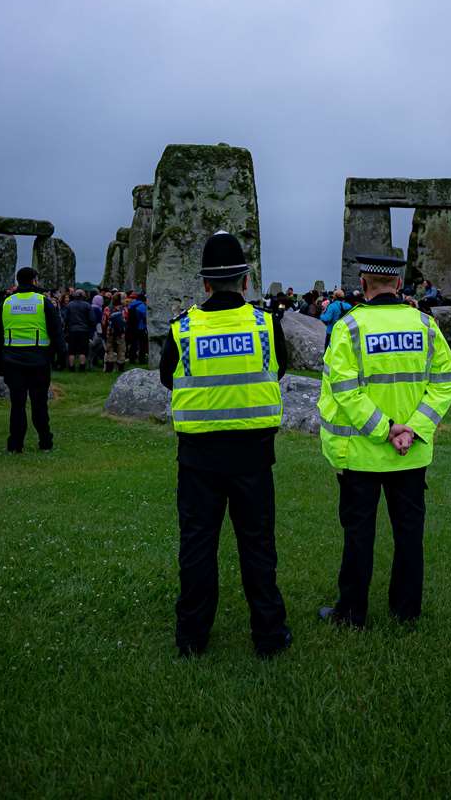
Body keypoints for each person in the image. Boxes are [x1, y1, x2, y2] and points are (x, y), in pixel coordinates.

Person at [159, 232, 292, 658]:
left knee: (198, 546)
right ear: (247, 281)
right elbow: (280, 368)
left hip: (198, 457)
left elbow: (167, 377)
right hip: (253, 455)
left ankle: (193, 637)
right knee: (257, 546)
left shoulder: (182, 328)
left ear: (205, 284)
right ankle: (269, 636)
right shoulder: (266, 324)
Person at [317, 253, 451, 629]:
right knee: (409, 535)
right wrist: (411, 429)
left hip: (363, 453)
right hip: (411, 454)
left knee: (359, 536)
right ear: (398, 285)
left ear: (363, 286)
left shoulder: (349, 328)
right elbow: (444, 385)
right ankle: (406, 609)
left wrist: (386, 428)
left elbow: (345, 392)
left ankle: (351, 613)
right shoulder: (427, 327)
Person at [0, 266, 63, 454]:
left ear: (18, 281)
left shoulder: (6, 302)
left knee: (17, 405)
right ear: (34, 280)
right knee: (39, 404)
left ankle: (15, 444)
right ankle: (45, 442)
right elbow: (56, 331)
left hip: (11, 360)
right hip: (38, 360)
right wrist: (59, 355)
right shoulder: (43, 302)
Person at [63, 289, 97, 370]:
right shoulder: (87, 305)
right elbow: (92, 319)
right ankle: (82, 367)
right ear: (83, 296)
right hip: (84, 330)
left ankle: (71, 367)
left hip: (72, 330)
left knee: (71, 350)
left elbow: (65, 318)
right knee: (83, 350)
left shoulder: (69, 305)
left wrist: (67, 328)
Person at [126, 292, 148, 366]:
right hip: (140, 327)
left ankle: (132, 358)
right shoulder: (142, 306)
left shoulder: (131, 305)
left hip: (131, 327)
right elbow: (145, 316)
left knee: (133, 344)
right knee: (142, 344)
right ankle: (141, 359)